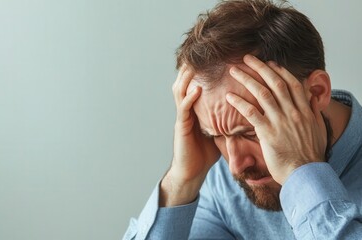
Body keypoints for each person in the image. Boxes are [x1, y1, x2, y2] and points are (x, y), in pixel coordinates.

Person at [124, 0, 362, 239]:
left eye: (251, 132)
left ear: (317, 92)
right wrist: (182, 181)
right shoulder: (223, 185)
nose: (236, 165)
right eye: (216, 136)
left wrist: (300, 172)